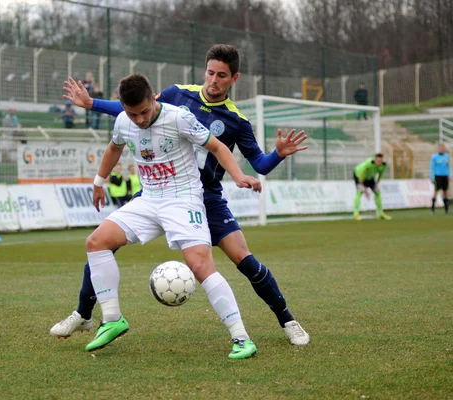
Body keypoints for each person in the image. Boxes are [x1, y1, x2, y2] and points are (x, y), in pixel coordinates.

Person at [52, 44, 310, 347]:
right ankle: (85, 313)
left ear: (234, 78)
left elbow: (260, 165)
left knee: (244, 259)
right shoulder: (177, 94)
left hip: (206, 198)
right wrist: (93, 103)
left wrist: (277, 155)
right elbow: (136, 110)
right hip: (158, 190)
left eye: (222, 76)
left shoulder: (237, 121)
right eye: (211, 72)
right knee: (102, 242)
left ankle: (288, 321)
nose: (214, 80)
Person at [81, 73, 262, 359]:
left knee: (200, 265)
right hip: (149, 199)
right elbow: (113, 148)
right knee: (96, 242)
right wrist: (98, 182)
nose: (139, 120)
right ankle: (113, 319)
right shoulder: (123, 121)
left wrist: (238, 176)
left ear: (154, 99)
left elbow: (217, 146)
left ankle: (241, 338)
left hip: (183, 199)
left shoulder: (178, 117)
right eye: (132, 114)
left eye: (143, 111)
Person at [353, 153, 391, 220]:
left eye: (380, 161)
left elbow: (380, 175)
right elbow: (362, 176)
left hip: (370, 177)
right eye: (377, 161)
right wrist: (365, 191)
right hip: (359, 175)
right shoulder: (369, 164)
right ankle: (356, 214)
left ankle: (381, 214)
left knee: (377, 192)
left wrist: (376, 184)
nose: (378, 162)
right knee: (360, 192)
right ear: (375, 160)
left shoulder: (383, 166)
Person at [430, 143, 450, 214]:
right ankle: (432, 209)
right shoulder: (434, 157)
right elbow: (432, 168)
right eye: (440, 148)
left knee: (445, 192)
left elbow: (448, 167)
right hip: (437, 176)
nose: (442, 149)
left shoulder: (446, 156)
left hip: (445, 176)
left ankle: (446, 209)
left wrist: (449, 175)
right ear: (438, 149)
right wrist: (432, 177)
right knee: (436, 191)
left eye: (443, 148)